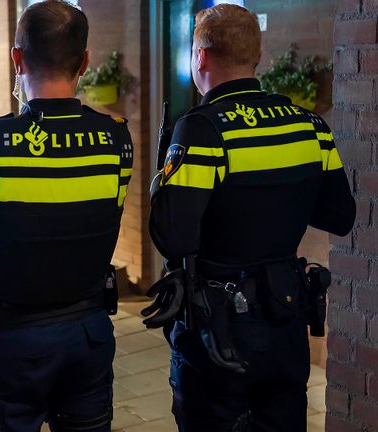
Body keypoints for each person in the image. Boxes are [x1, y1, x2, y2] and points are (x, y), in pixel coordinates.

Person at [147, 5, 356, 431]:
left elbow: (173, 237)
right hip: (286, 316)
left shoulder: (203, 129)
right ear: (257, 56)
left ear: (200, 57)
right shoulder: (309, 126)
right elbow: (340, 215)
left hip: (218, 331)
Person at [0, 1, 134, 430]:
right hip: (88, 335)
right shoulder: (116, 140)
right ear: (84, 62)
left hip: (10, 344)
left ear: (17, 59)